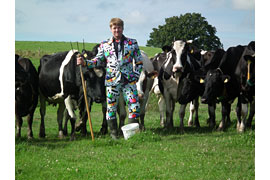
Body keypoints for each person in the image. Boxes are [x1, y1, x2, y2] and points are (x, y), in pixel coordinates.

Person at [77, 18, 143, 139]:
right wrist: (85, 62)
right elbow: (97, 61)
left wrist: (135, 76)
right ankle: (114, 135)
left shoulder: (132, 43)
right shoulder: (104, 45)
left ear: (122, 28)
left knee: (134, 107)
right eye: (114, 28)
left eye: (119, 27)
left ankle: (132, 136)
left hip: (129, 80)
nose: (117, 30)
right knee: (111, 108)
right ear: (111, 29)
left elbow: (139, 62)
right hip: (112, 81)